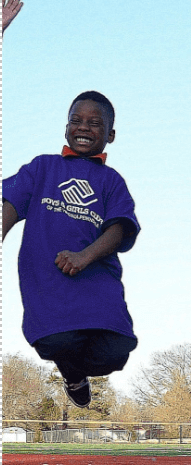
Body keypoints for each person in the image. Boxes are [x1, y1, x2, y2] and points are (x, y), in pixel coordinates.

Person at [3, 91, 140, 410]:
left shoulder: (111, 180)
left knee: (114, 353)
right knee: (56, 340)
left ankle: (76, 373)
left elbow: (120, 228)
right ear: (66, 128)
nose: (84, 127)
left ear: (111, 135)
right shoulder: (43, 168)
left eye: (95, 123)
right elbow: (10, 203)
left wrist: (85, 256)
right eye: (76, 120)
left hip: (96, 281)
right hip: (48, 278)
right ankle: (73, 377)